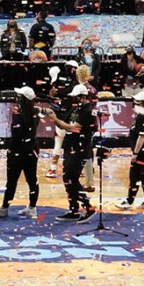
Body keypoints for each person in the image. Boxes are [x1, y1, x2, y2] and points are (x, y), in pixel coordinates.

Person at [0, 86, 49, 218]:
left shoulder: (18, 112)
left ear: (23, 99)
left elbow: (16, 134)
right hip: (32, 149)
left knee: (12, 181)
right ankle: (32, 207)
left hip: (18, 151)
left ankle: (4, 208)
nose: (17, 98)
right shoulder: (35, 112)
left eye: (19, 96)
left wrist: (10, 149)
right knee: (32, 179)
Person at [49, 84, 97, 223]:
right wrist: (56, 114)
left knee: (71, 178)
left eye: (76, 97)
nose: (73, 99)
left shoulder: (88, 111)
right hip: (70, 147)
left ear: (83, 97)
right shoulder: (76, 108)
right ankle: (73, 209)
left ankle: (88, 207)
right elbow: (64, 122)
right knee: (67, 178)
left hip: (80, 149)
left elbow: (74, 128)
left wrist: (55, 119)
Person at [116, 91, 144, 210]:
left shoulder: (142, 116)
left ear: (143, 103)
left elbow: (142, 136)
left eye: (137, 101)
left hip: (142, 152)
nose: (134, 103)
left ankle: (129, 202)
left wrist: (135, 153)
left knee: (134, 175)